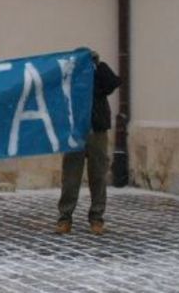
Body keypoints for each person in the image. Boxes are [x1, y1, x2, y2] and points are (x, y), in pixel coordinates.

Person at [56, 51, 122, 235]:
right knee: (70, 177)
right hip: (75, 132)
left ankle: (96, 218)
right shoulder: (71, 78)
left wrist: (98, 66)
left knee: (98, 175)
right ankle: (65, 218)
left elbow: (113, 83)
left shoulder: (98, 76)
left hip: (97, 131)